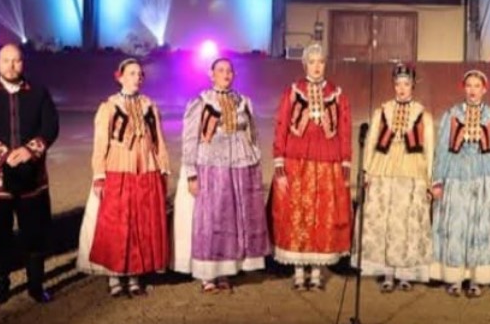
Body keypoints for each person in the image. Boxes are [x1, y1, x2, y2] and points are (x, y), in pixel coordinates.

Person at [0, 43, 60, 306]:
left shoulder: (39, 92)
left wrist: (31, 150)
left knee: (34, 235)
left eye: (16, 60)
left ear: (23, 63)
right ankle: (1, 286)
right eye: (6, 60)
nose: (11, 65)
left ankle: (35, 286)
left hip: (32, 177)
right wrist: (2, 153)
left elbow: (50, 126)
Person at [172, 57, 270, 293]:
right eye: (221, 70)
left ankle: (225, 270)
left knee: (233, 219)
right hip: (211, 167)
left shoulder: (243, 101)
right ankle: (208, 274)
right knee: (212, 218)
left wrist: (254, 158)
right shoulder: (201, 102)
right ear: (211, 74)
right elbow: (190, 139)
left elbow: (253, 134)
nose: (226, 74)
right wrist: (191, 174)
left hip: (240, 167)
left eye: (229, 71)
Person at [76, 58, 171, 298]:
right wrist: (99, 175)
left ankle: (135, 275)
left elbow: (158, 141)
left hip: (146, 169)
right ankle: (115, 276)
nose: (137, 78)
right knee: (117, 225)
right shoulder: (109, 107)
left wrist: (163, 168)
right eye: (131, 73)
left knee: (141, 222)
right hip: (118, 169)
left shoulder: (149, 106)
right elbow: (101, 144)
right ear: (120, 77)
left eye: (139, 74)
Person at [269, 43, 353, 291]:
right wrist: (279, 157)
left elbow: (345, 130)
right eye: (312, 62)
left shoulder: (337, 94)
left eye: (321, 62)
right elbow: (281, 125)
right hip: (297, 161)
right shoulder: (293, 91)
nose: (317, 67)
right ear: (304, 64)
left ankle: (316, 272)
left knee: (323, 214)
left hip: (327, 162)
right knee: (298, 213)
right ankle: (298, 271)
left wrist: (345, 160)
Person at [430, 69, 490, 298]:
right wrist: (438, 179)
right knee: (457, 225)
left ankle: (476, 278)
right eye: (469, 86)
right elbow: (442, 148)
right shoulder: (452, 114)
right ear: (463, 88)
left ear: (484, 89)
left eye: (477, 86)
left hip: (484, 176)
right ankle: (454, 277)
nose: (473, 90)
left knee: (479, 225)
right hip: (456, 174)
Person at [357, 63, 434, 292]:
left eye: (406, 84)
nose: (401, 89)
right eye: (398, 84)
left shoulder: (423, 114)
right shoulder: (382, 111)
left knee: (407, 222)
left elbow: (429, 149)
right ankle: (388, 273)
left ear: (413, 86)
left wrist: (429, 180)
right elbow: (371, 142)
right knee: (386, 220)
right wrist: (367, 170)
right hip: (384, 168)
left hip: (412, 170)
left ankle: (405, 273)